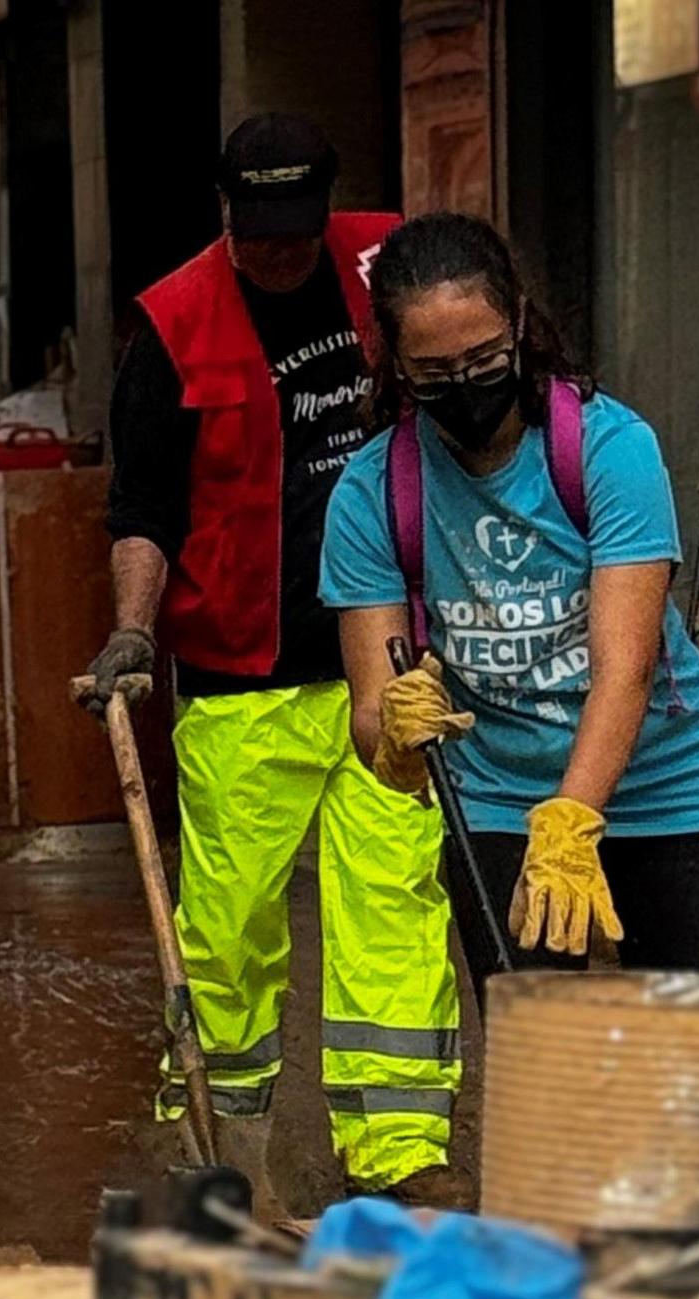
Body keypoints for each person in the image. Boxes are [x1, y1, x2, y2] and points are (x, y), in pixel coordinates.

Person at [83, 113, 458, 1202]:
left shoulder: (392, 260)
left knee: (392, 907)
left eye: (299, 232)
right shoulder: (173, 325)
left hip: (392, 662)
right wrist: (132, 629)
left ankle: (398, 1175)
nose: (282, 255)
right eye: (260, 234)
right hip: (245, 678)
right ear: (225, 215)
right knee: (228, 935)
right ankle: (220, 1170)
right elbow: (143, 505)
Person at [326, 212, 699, 974]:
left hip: (670, 791)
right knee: (545, 1074)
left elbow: (625, 669)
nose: (464, 383)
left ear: (519, 322)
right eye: (434, 370)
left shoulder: (609, 449)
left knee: (696, 1071)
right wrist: (390, 736)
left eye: (483, 355)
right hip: (496, 804)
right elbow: (370, 704)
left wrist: (574, 817)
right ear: (392, 360)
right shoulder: (370, 495)